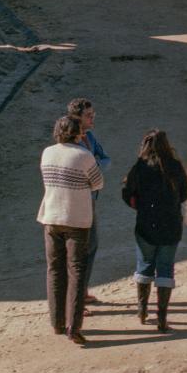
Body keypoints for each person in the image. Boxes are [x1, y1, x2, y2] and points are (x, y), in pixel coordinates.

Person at [38, 113, 102, 345]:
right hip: (76, 219)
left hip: (51, 217)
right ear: (77, 134)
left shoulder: (47, 152)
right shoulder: (83, 155)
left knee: (54, 270)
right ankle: (73, 327)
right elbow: (98, 182)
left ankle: (56, 321)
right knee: (76, 271)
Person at [121, 129, 187, 333]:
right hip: (171, 225)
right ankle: (162, 318)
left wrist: (141, 207)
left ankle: (142, 311)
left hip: (146, 225)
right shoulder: (175, 167)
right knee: (165, 268)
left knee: (145, 265)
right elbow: (185, 193)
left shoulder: (139, 168)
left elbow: (127, 193)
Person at [68, 96, 108, 306]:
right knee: (78, 250)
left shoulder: (90, 138)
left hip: (90, 199)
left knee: (91, 245)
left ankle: (81, 291)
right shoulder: (67, 140)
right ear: (77, 117)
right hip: (75, 202)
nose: (93, 119)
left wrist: (93, 167)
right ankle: (75, 299)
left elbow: (105, 158)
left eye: (93, 115)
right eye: (89, 115)